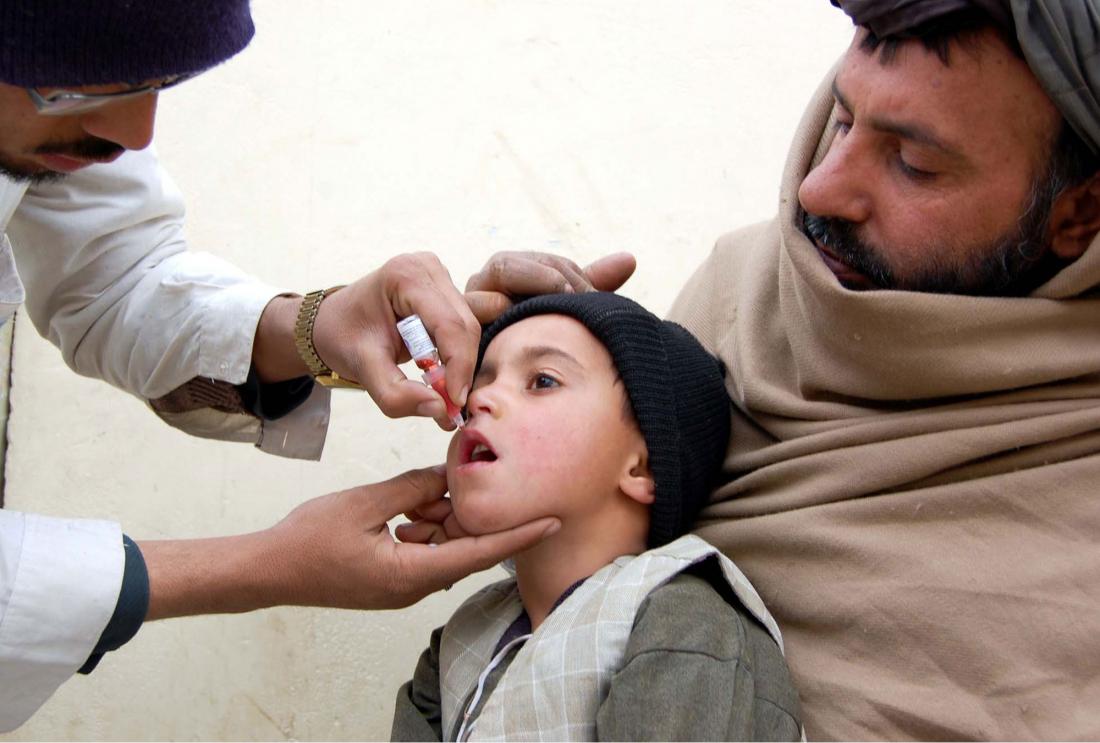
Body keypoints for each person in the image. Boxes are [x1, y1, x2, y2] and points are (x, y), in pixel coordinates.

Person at [465, 1, 1100, 738]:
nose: (819, 190)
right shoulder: (742, 292)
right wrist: (511, 362)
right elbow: (580, 601)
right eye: (840, 119)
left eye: (913, 164)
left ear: (1080, 213)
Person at [0, 1, 638, 732]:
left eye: (158, 83)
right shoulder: (457, 651)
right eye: (72, 88)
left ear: (643, 461)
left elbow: (114, 280)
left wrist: (315, 325)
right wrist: (267, 564)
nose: (135, 134)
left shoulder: (685, 626)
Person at [390, 292, 802, 742]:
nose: (481, 397)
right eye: (478, 383)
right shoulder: (457, 641)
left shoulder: (685, 619)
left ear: (641, 466)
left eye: (542, 381)